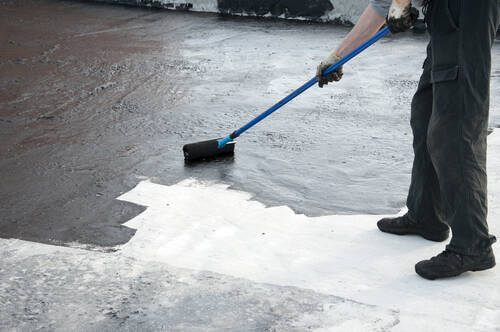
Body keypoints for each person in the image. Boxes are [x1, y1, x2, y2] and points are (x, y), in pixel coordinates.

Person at [317, 0, 500, 280]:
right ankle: (426, 214)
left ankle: (472, 244)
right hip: (446, 13)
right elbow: (382, 5)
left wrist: (401, 3)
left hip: (467, 9)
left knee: (455, 125)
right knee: (425, 112)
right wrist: (337, 56)